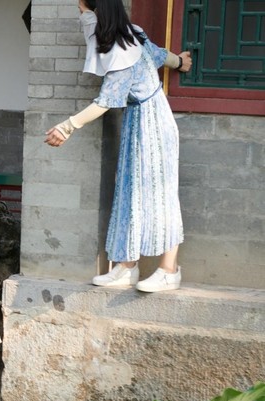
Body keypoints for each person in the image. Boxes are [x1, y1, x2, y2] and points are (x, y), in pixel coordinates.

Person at [45, 0, 193, 293]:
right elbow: (158, 55)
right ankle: (126, 267)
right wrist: (179, 61)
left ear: (94, 12)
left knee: (160, 194)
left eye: (82, 10)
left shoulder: (122, 49)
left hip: (155, 124)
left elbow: (106, 101)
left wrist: (67, 126)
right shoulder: (130, 33)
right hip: (137, 122)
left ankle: (169, 270)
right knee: (129, 192)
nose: (81, 15)